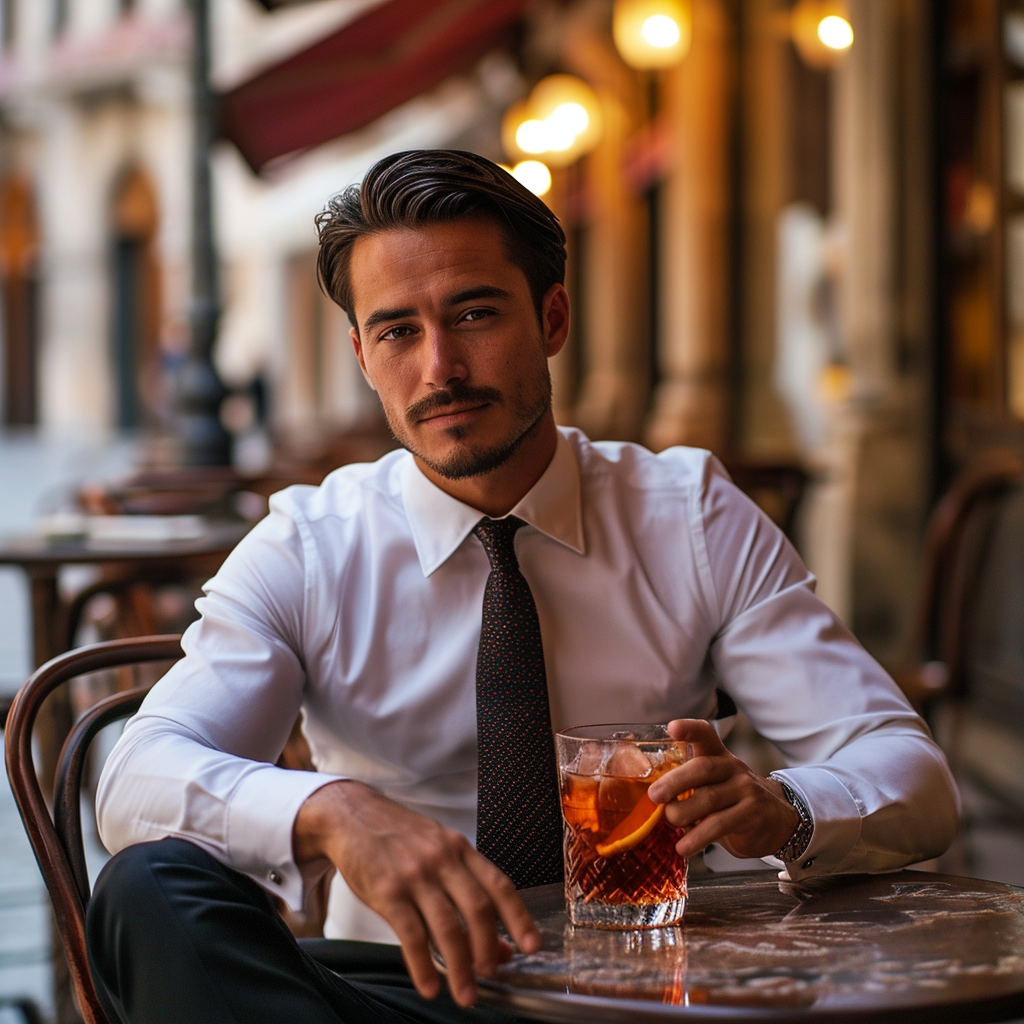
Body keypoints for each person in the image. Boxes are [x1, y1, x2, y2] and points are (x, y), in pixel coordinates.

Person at [86, 149, 960, 1024]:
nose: (440, 369)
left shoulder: (689, 515)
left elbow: (913, 776)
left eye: (474, 313)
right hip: (406, 988)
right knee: (148, 887)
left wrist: (785, 810)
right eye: (398, 331)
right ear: (360, 353)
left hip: (651, 982)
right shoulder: (312, 545)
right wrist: (334, 811)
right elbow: (136, 783)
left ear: (552, 317)